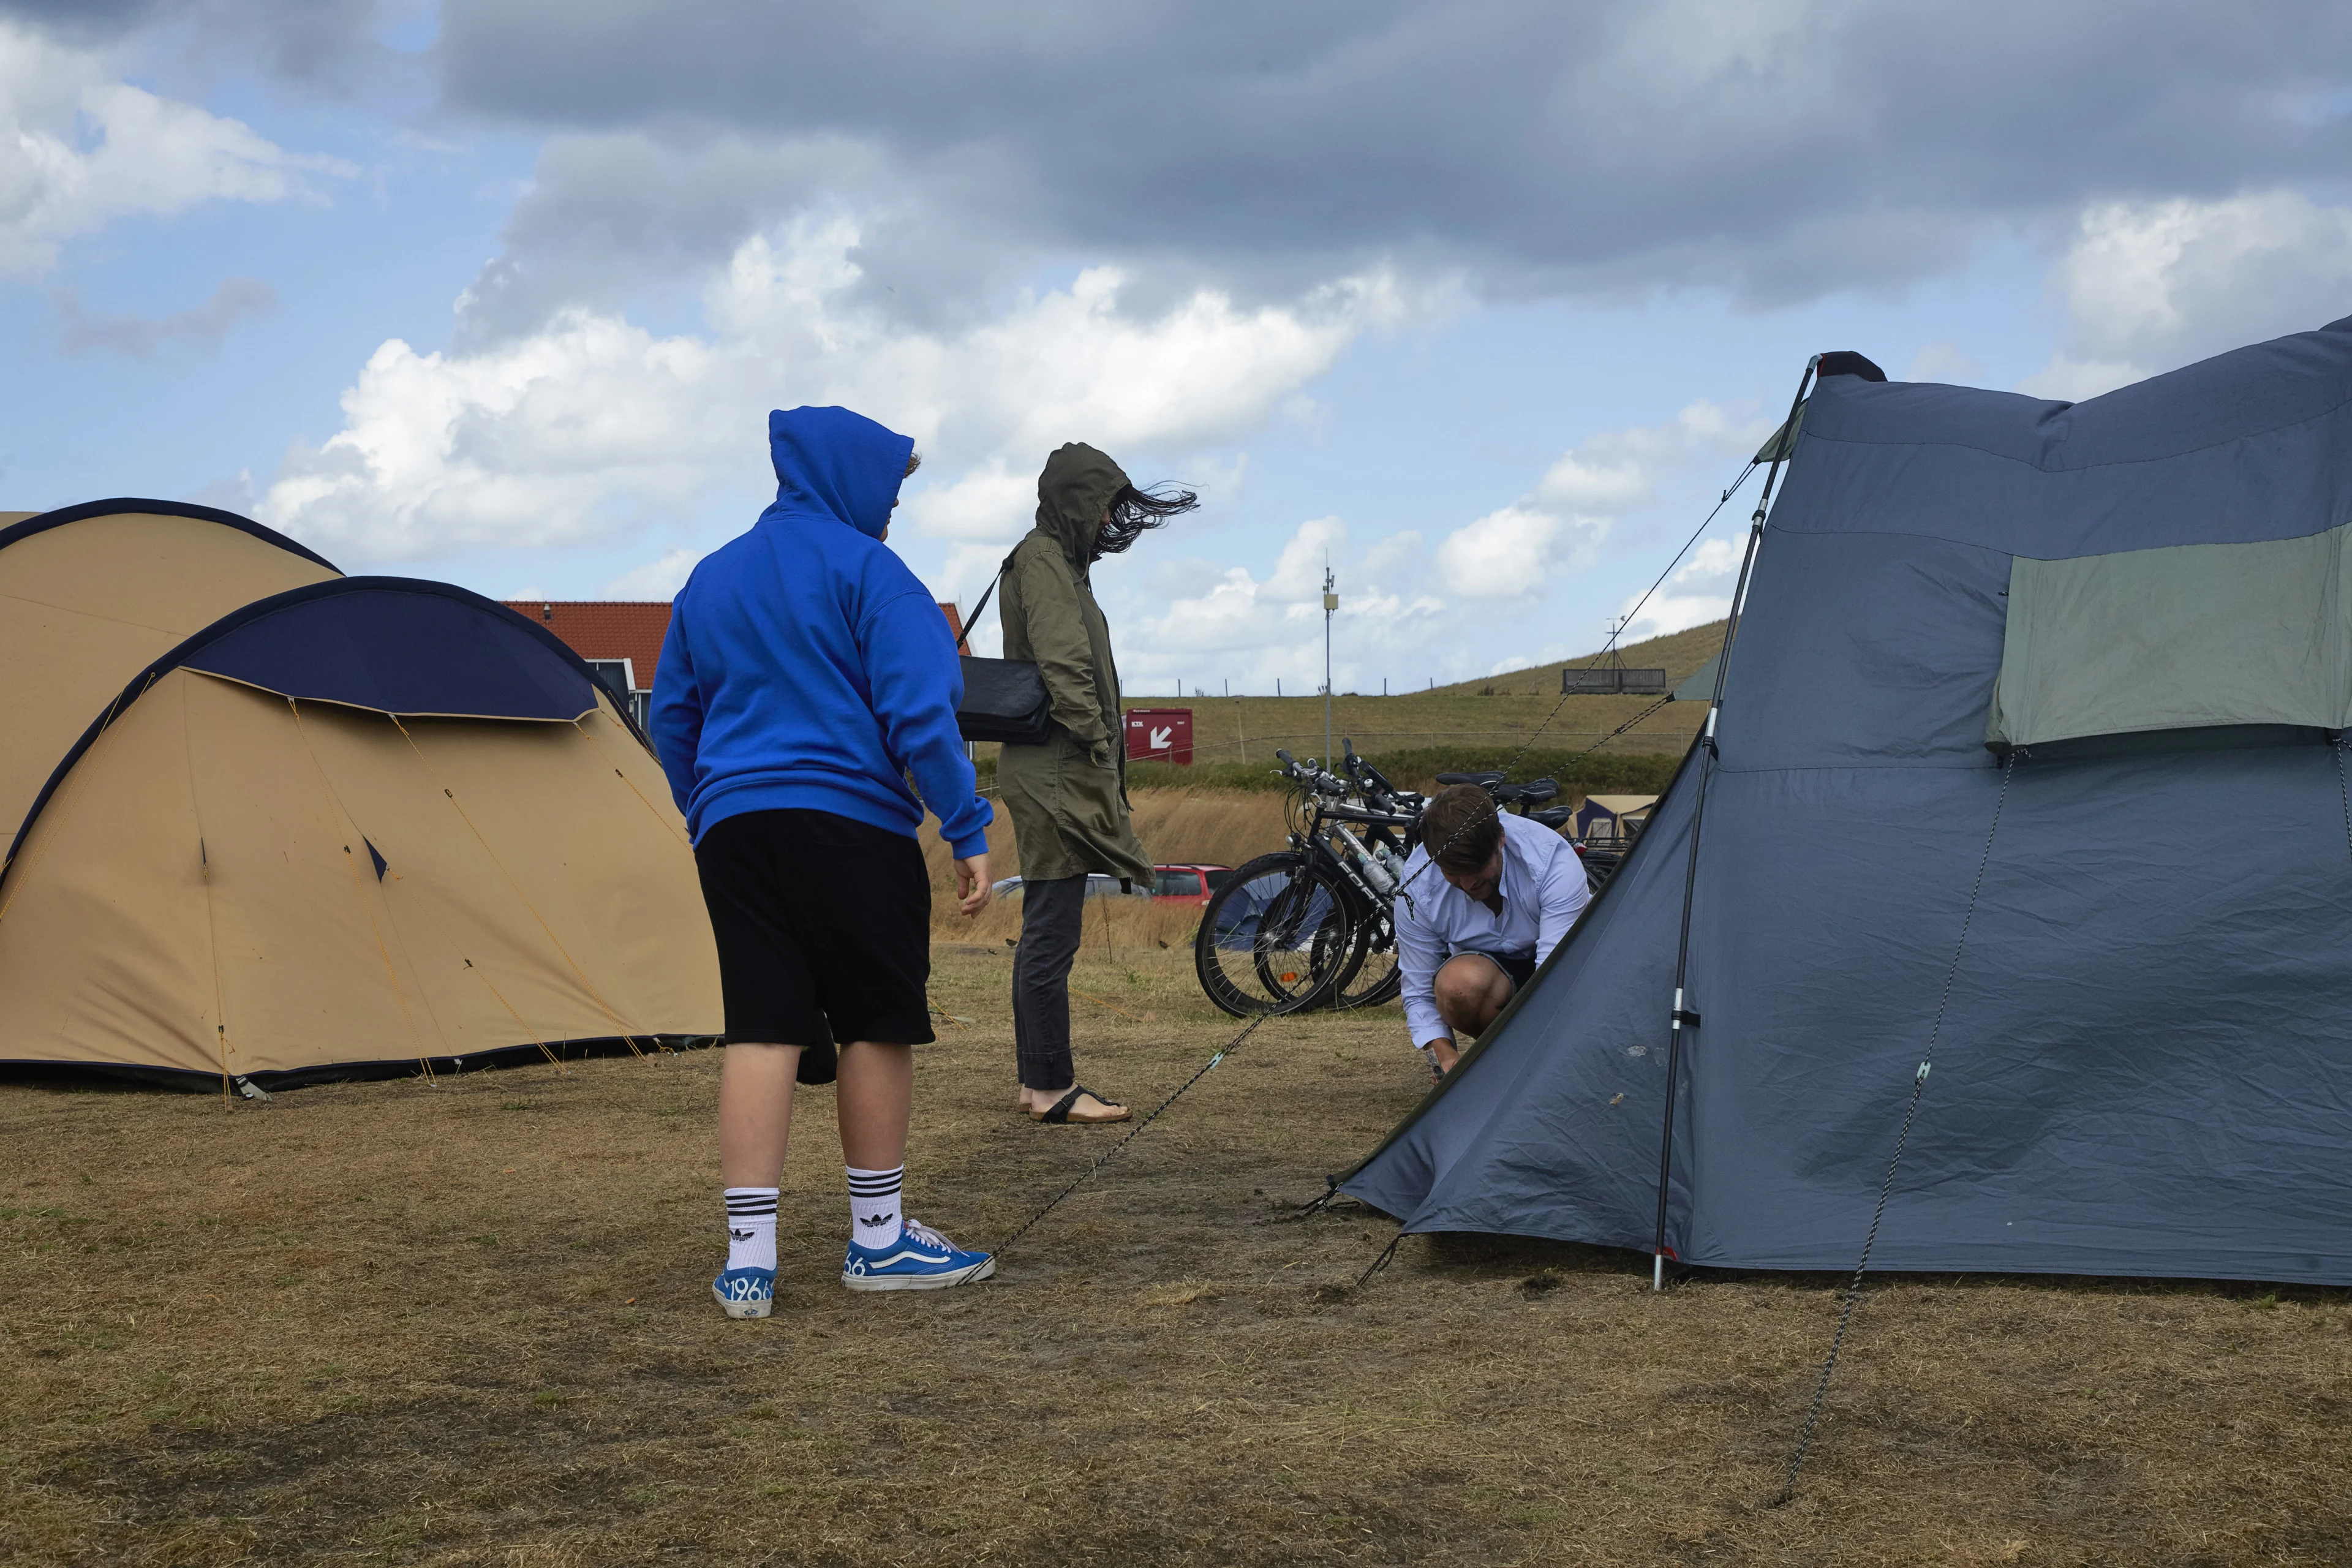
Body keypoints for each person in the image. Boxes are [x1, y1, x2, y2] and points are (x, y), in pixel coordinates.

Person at [651, 404, 998, 1321]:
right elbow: (922, 715)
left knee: (761, 1026)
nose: (892, 507)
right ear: (850, 477)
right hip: (853, 827)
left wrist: (705, 809)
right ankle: (878, 1241)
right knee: (874, 1021)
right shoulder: (875, 574)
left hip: (734, 829)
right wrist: (965, 828)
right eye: (890, 487)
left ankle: (749, 1263)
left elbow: (670, 717)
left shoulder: (710, 578)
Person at [995, 443, 1198, 1124]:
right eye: (1106, 503)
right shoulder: (1045, 561)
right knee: (1052, 935)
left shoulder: (1059, 562)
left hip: (1058, 769)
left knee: (1045, 932)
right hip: (1058, 772)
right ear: (1080, 502)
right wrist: (1100, 741)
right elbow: (1065, 662)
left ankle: (1036, 1082)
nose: (1114, 517)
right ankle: (1052, 1088)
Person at [1394, 782, 1591, 1076]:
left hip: (1568, 968)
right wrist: (1445, 1059)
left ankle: (1541, 1062)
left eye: (1477, 869)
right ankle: (1511, 1066)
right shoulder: (1416, 884)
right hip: (1490, 974)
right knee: (1458, 987)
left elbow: (1554, 981)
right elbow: (1419, 988)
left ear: (1500, 839)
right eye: (1453, 875)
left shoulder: (1552, 863)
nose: (1469, 884)